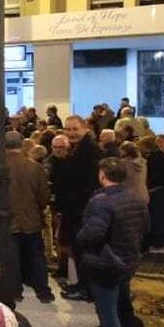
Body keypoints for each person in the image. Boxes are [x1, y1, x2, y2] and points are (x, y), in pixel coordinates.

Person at [75, 157, 150, 327]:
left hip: (106, 263)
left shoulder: (100, 201)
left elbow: (93, 233)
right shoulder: (135, 199)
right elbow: (146, 227)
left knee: (107, 310)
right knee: (123, 306)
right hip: (128, 260)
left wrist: (80, 237)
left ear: (102, 175)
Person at [52, 118, 101, 298]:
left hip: (81, 210)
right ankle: (82, 284)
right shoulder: (78, 149)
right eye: (67, 130)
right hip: (74, 209)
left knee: (82, 250)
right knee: (76, 249)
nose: (71, 133)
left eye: (75, 129)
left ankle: (86, 288)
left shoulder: (89, 150)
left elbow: (88, 183)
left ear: (85, 129)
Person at [5, 130, 53, 303]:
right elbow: (43, 195)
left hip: (7, 219)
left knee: (12, 257)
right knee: (37, 256)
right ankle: (44, 291)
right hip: (31, 217)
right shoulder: (35, 167)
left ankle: (15, 291)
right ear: (22, 144)